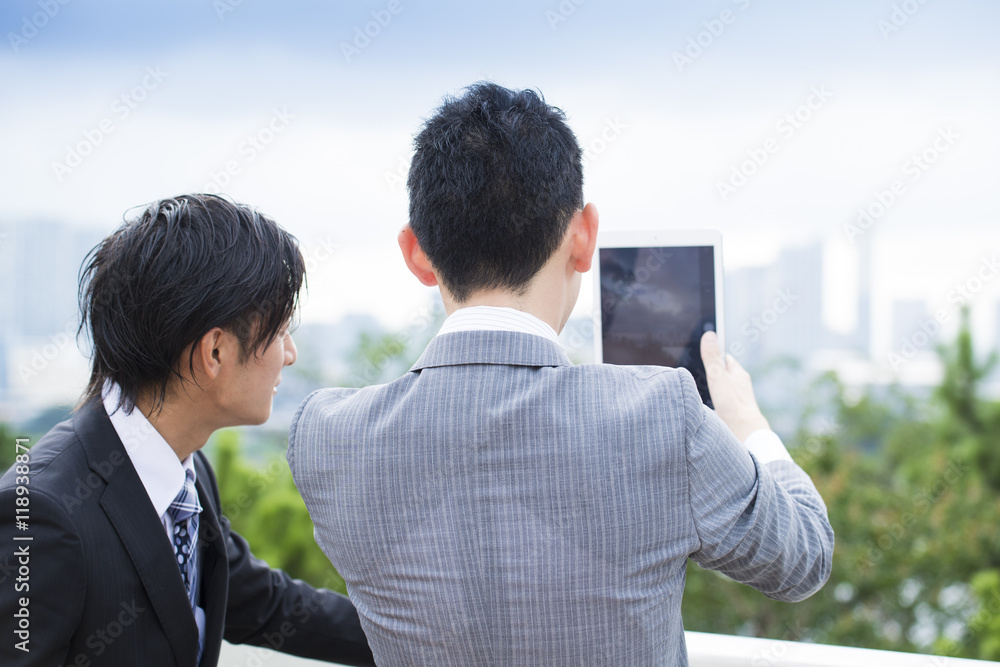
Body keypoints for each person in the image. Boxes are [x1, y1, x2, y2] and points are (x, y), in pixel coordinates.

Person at [288, 83, 834, 666]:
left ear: (416, 252)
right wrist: (747, 424)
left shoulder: (327, 437)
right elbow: (803, 557)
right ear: (583, 236)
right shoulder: (663, 414)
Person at [0, 195, 375, 666]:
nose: (291, 354)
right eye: (281, 331)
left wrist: (434, 638)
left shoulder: (185, 471)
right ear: (214, 352)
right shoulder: (42, 511)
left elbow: (265, 604)